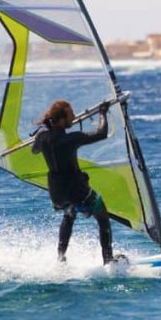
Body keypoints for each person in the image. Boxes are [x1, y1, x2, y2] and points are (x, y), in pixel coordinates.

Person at [31, 99, 118, 264]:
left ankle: (60, 257)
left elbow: (34, 150)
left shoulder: (43, 137)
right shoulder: (72, 138)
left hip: (57, 193)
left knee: (69, 214)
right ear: (62, 119)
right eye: (71, 115)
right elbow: (101, 133)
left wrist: (39, 135)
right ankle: (108, 260)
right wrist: (102, 113)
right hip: (75, 190)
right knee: (103, 216)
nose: (74, 117)